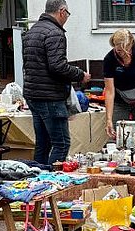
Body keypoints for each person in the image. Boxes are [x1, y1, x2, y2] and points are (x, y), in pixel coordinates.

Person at [23, 0, 90, 165]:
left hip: (33, 94)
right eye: (67, 14)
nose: (67, 18)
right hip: (50, 96)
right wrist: (80, 74)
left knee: (43, 144)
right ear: (62, 11)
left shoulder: (32, 31)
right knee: (61, 144)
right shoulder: (55, 33)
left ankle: (37, 180)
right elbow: (57, 66)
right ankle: (52, 181)